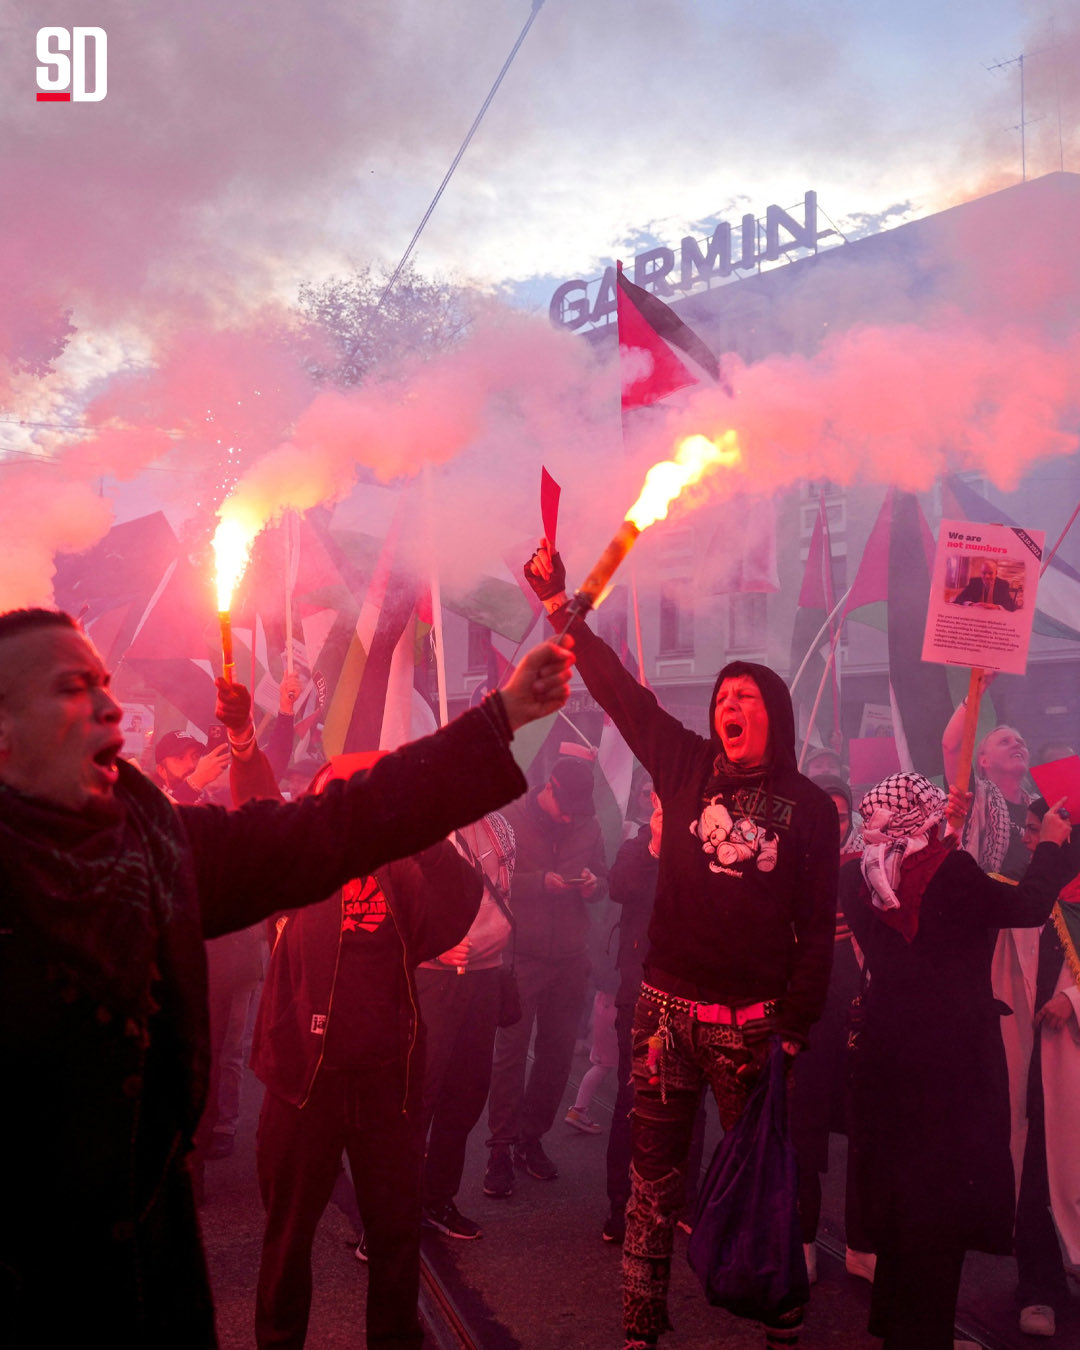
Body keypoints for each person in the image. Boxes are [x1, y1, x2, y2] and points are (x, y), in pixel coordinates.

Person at [0, 606, 573, 1349]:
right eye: (73, 687)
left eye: (107, 683)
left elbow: (335, 826)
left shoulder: (158, 848)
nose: (111, 706)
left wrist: (504, 717)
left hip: (148, 1277)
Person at [524, 542, 839, 1350]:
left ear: (772, 712)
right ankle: (640, 1331)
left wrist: (795, 1027)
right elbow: (623, 697)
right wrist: (563, 609)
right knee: (651, 1187)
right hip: (665, 1013)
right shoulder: (686, 765)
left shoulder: (807, 806)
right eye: (722, 697)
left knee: (767, 1182)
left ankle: (780, 1322)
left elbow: (817, 926)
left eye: (745, 696)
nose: (728, 705)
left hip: (752, 1025)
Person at [249, 753, 482, 1350]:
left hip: (387, 1082)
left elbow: (461, 900)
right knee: (287, 1234)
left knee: (395, 1234)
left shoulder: (402, 867)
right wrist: (249, 746)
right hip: (304, 1081)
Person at [840, 771, 1074, 1350]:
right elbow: (1025, 905)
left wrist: (950, 828)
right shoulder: (951, 874)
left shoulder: (859, 873)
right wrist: (1049, 843)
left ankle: (898, 1325)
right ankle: (924, 1337)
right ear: (920, 816)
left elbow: (926, 889)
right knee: (937, 1210)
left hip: (886, 1055)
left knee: (900, 1199)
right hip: (949, 1063)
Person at [484, 755, 609, 1194]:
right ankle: (499, 1147)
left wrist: (595, 884)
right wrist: (540, 882)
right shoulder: (508, 819)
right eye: (566, 805)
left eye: (580, 808)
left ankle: (530, 1138)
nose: (572, 815)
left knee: (557, 1055)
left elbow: (605, 880)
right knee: (511, 1054)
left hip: (571, 957)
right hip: (522, 956)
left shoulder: (588, 824)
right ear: (550, 787)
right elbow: (491, 879)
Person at [790, 774, 874, 1286]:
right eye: (826, 813)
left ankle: (863, 1245)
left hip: (856, 1008)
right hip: (804, 1010)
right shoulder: (784, 867)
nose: (836, 824)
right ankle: (801, 1237)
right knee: (803, 1130)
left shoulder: (866, 868)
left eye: (843, 816)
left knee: (866, 1131)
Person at [416, 811, 516, 1241]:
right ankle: (389, 1210)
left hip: (486, 975)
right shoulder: (421, 824)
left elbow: (506, 898)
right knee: (418, 1094)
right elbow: (396, 900)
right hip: (434, 977)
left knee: (466, 1094)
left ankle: (438, 1197)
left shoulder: (500, 826)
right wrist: (435, 946)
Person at [1008, 798, 1080, 1339]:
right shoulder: (1023, 890)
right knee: (1032, 1172)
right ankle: (1039, 1287)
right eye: (1030, 831)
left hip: (1072, 1059)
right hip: (1031, 1063)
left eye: (1041, 831)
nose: (1031, 840)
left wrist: (1074, 1000)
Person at [154, 728, 231, 803]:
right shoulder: (150, 802)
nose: (191, 765)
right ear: (162, 770)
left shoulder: (216, 802)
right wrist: (196, 782)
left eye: (196, 756)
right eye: (180, 758)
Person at [951, 559, 1018, 611]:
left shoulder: (1002, 584)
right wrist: (972, 604)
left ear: (996, 573)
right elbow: (959, 598)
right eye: (984, 573)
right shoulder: (974, 582)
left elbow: (1011, 605)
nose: (987, 576)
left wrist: (996, 606)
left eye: (990, 573)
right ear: (980, 573)